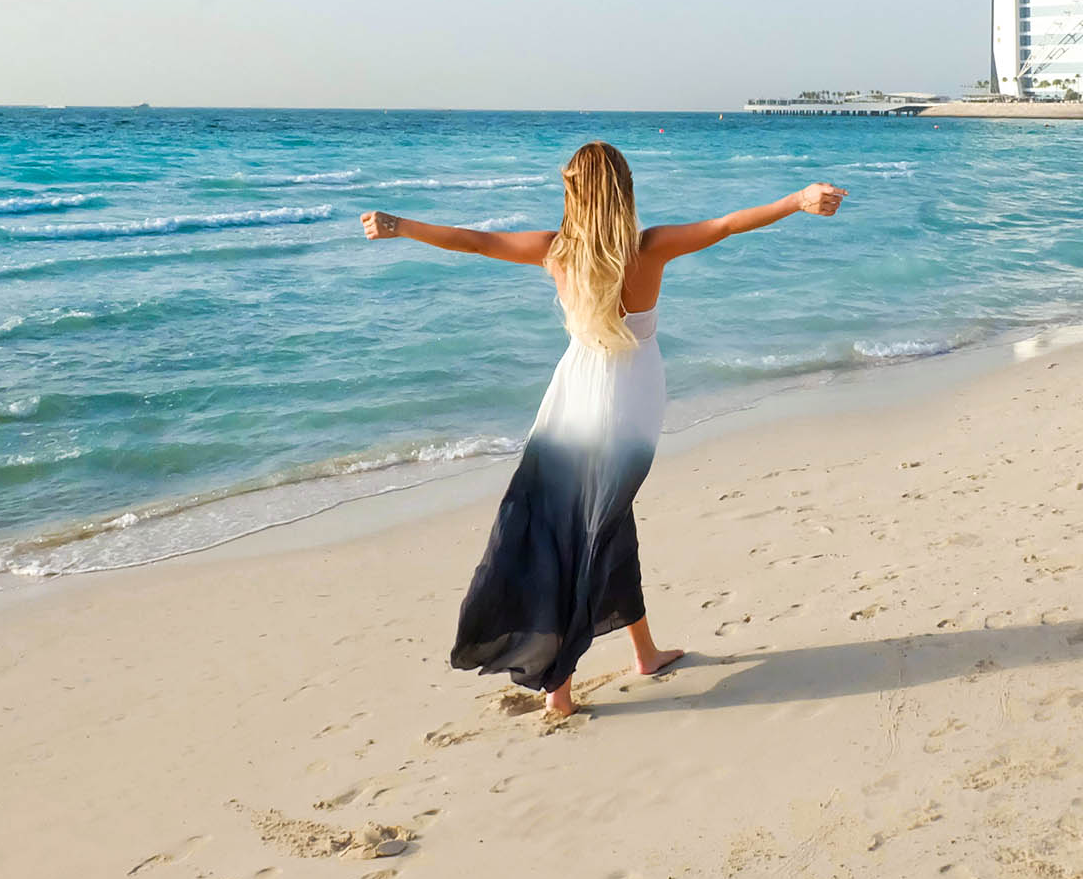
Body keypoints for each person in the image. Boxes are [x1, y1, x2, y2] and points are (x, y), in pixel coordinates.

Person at [361, 142, 845, 716]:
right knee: (593, 533)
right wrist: (797, 199)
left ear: (574, 194)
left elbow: (476, 241)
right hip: (628, 414)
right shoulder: (651, 248)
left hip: (572, 404)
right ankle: (562, 687)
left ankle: (641, 653)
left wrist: (400, 226)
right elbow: (727, 225)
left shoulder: (555, 251)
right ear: (624, 191)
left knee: (588, 526)